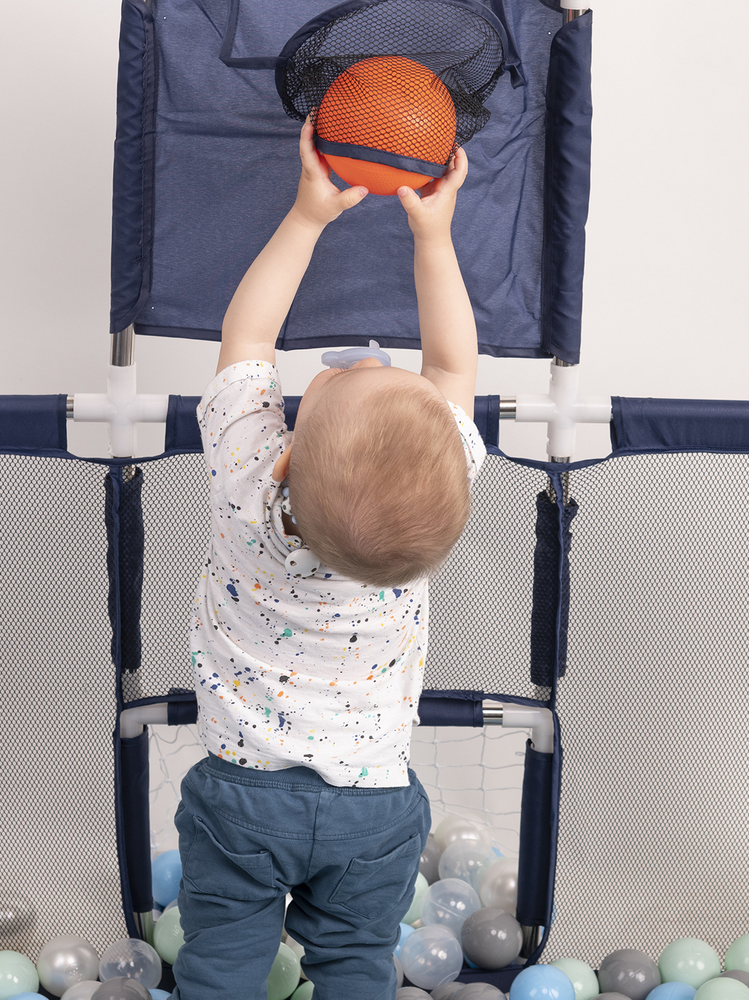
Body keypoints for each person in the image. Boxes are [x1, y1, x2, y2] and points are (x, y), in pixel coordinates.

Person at [169, 119, 487, 1000]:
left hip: (240, 801)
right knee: (356, 966)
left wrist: (307, 218)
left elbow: (247, 342)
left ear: (283, 451)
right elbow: (453, 364)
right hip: (375, 813)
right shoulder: (418, 530)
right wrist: (435, 234)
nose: (375, 357)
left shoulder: (246, 491)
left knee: (221, 963)